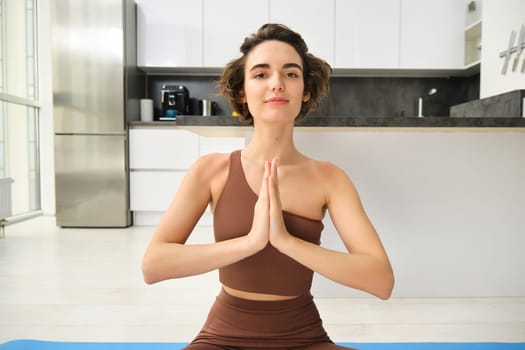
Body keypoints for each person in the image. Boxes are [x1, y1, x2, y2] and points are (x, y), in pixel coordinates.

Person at [142, 23, 394, 350]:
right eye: (261, 74)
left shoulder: (330, 178)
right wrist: (249, 243)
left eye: (290, 74)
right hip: (223, 338)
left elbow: (380, 280)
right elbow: (153, 266)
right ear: (243, 92)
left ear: (305, 90)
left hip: (304, 338)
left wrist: (286, 242)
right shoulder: (211, 170)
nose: (276, 83)